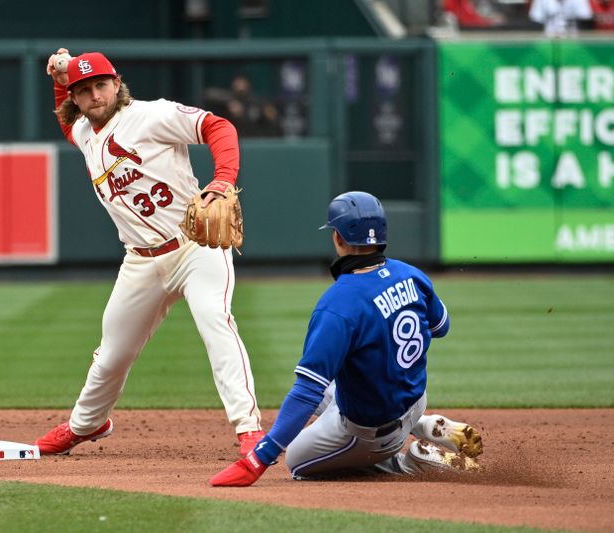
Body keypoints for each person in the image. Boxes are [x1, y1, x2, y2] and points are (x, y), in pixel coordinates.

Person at [36, 48, 264, 457]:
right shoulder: (86, 132)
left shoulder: (150, 115)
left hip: (195, 248)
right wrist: (59, 81)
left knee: (216, 321)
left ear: (117, 83)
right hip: (139, 260)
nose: (95, 96)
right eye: (83, 91)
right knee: (112, 353)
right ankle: (86, 425)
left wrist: (224, 179)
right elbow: (68, 124)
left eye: (100, 85)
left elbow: (218, 126)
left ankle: (248, 428)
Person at [210, 191, 483, 486]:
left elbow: (305, 394)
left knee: (297, 463)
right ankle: (424, 424)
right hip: (414, 401)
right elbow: (440, 326)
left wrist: (258, 459)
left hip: (369, 432)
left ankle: (410, 461)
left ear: (338, 238)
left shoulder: (337, 305)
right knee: (341, 373)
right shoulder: (412, 275)